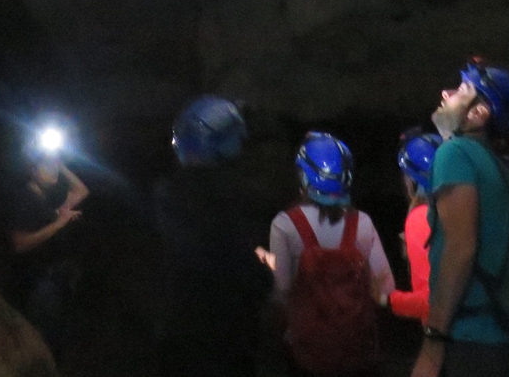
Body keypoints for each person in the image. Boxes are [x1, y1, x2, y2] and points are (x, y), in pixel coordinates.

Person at [411, 60, 509, 377]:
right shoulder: (501, 167)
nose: (446, 92)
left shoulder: (455, 154)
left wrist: (434, 340)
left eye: (462, 89)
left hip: (471, 342)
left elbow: (460, 249)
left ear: (478, 113)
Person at [155, 95, 274, 377]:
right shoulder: (245, 195)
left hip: (181, 321)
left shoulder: (166, 191)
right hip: (230, 327)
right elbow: (253, 269)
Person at [266, 132, 395, 377]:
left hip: (308, 354)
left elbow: (281, 288)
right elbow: (386, 287)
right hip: (357, 352)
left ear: (304, 175)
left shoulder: (284, 224)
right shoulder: (362, 222)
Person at [7, 134, 89, 365]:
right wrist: (59, 223)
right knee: (43, 343)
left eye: (54, 165)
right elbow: (19, 243)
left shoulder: (43, 199)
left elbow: (81, 191)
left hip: (53, 280)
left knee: (56, 338)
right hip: (37, 284)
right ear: (33, 170)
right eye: (47, 165)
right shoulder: (26, 198)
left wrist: (57, 161)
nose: (53, 170)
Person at [389, 128, 443, 323]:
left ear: (412, 179)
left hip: (447, 330)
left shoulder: (420, 217)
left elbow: (430, 300)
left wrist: (388, 300)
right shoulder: (469, 206)